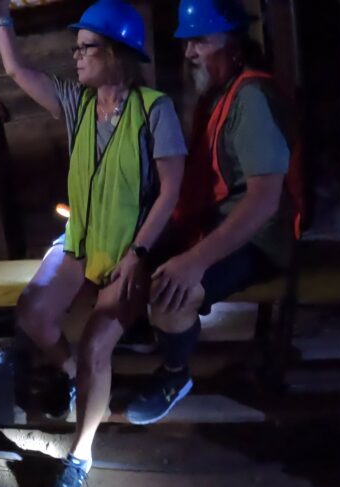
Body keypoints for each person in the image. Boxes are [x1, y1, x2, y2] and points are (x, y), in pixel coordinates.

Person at [0, 0, 186, 487]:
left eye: (86, 48)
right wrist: (2, 16)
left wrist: (139, 252)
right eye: (76, 48)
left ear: (117, 54)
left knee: (98, 344)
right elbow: (15, 68)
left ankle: (80, 455)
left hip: (129, 249)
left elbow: (170, 191)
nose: (75, 57)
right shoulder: (77, 104)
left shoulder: (154, 109)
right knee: (33, 310)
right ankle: (69, 373)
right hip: (80, 239)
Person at [125, 0, 302, 425]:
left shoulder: (253, 98)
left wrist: (194, 260)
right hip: (220, 220)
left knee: (172, 290)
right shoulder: (220, 94)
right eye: (188, 42)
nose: (189, 53)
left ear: (234, 42)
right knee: (132, 251)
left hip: (260, 236)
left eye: (199, 41)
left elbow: (263, 200)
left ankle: (174, 373)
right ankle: (149, 332)